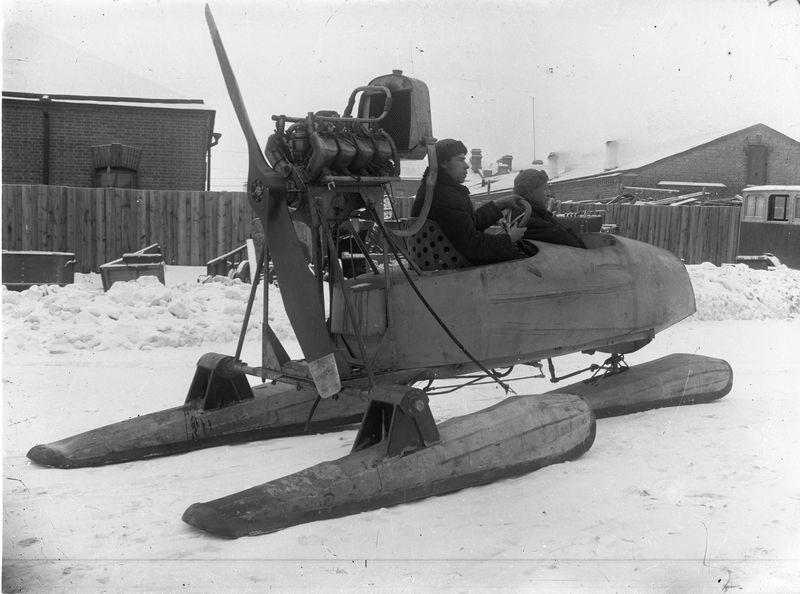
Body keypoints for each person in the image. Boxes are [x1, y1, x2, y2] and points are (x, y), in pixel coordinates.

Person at [411, 138, 526, 265]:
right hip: (453, 263)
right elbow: (472, 245)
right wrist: (509, 239)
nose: (467, 165)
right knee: (526, 262)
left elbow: (468, 225)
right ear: (443, 163)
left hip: (441, 258)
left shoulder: (436, 190)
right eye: (460, 160)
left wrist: (499, 204)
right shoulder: (444, 196)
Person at [512, 169, 587, 249]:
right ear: (530, 192)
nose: (549, 193)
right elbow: (569, 242)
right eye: (545, 188)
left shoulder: (534, 215)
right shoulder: (528, 219)